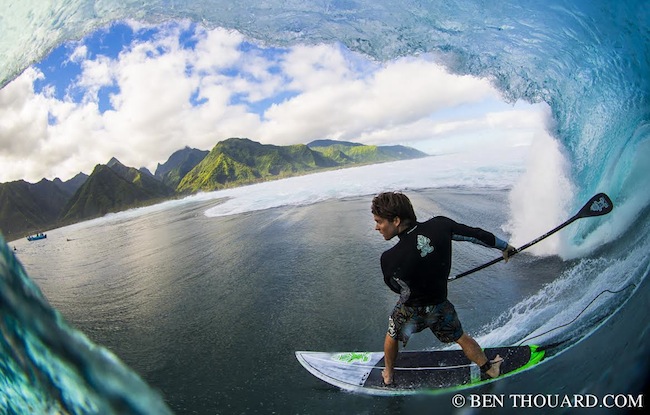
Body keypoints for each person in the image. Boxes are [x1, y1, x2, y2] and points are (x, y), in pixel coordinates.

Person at [371, 191, 517, 385]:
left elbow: (396, 287)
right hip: (440, 306)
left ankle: (388, 375)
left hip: (409, 310)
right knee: (460, 337)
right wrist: (505, 247)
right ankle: (489, 369)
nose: (376, 227)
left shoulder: (389, 258)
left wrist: (420, 282)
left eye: (379, 221)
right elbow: (476, 235)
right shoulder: (440, 225)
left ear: (396, 220)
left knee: (392, 334)